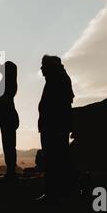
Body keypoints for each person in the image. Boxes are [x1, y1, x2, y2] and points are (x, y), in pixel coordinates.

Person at [37, 55, 74, 203]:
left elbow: (56, 106)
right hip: (55, 125)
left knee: (53, 160)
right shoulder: (59, 79)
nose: (41, 68)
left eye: (43, 65)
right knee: (58, 159)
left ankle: (52, 194)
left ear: (50, 66)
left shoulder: (56, 80)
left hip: (53, 126)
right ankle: (59, 192)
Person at [0, 61, 19, 182]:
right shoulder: (10, 83)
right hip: (9, 115)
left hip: (7, 115)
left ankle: (11, 173)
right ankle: (11, 171)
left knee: (8, 144)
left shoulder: (6, 83)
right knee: (10, 144)